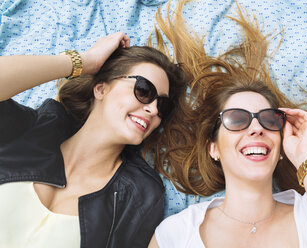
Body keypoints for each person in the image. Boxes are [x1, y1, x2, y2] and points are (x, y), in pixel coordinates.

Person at [147, 1, 307, 247]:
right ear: (214, 148)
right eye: (237, 119)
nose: (257, 128)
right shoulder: (176, 233)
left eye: (268, 119)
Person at [0, 32, 187, 247]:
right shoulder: (33, 129)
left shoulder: (138, 196)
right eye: (144, 90)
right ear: (101, 88)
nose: (153, 109)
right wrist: (85, 61)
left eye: (163, 106)